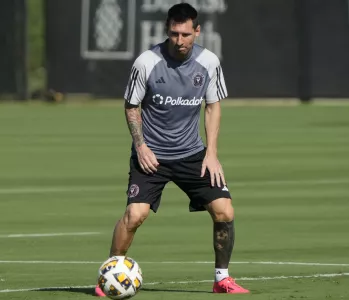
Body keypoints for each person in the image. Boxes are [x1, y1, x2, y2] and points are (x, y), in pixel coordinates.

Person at [95, 2, 249, 295]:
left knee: (224, 210)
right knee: (134, 216)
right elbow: (131, 106)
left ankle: (222, 279)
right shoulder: (146, 62)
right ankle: (110, 276)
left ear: (197, 31)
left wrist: (212, 153)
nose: (180, 40)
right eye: (175, 34)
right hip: (152, 156)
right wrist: (141, 147)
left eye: (186, 34)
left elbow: (213, 106)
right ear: (168, 30)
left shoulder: (209, 62)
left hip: (192, 154)